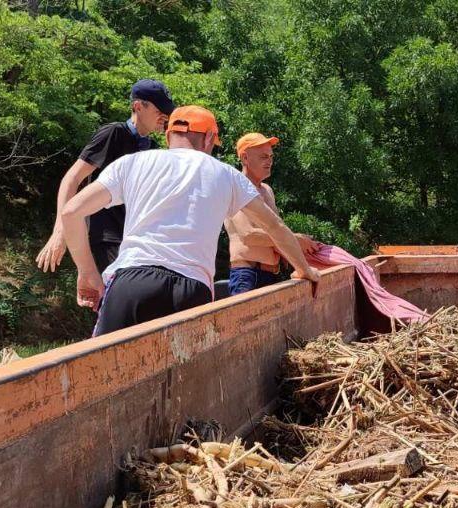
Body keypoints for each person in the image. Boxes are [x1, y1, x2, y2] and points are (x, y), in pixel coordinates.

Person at [60, 105, 321, 336]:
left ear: (168, 135)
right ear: (208, 138)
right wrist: (304, 270)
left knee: (106, 374)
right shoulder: (227, 175)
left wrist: (88, 274)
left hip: (132, 280)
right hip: (192, 288)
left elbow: (71, 212)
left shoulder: (131, 163)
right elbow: (274, 226)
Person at [35, 79, 175, 273]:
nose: (165, 117)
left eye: (167, 112)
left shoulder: (152, 149)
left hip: (136, 240)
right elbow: (73, 178)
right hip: (108, 236)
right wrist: (61, 231)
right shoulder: (113, 133)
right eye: (160, 111)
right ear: (137, 106)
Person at [224, 132, 318, 295]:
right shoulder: (236, 188)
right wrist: (296, 240)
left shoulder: (267, 191)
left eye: (270, 156)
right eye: (263, 157)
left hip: (272, 275)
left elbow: (277, 233)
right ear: (245, 158)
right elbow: (249, 235)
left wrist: (307, 259)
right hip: (248, 276)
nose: (269, 161)